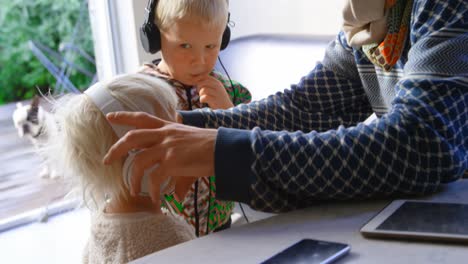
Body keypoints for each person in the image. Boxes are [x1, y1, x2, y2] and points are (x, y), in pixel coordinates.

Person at [103, 0, 467, 213]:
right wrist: (189, 125)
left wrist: (222, 151)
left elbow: (422, 146)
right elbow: (307, 108)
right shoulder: (369, 21)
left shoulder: (448, 10)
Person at [42, 73, 195, 263]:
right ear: (140, 165)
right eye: (171, 134)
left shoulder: (102, 224)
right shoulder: (172, 239)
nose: (186, 135)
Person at [138, 0, 252, 236]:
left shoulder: (234, 93)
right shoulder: (140, 94)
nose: (199, 60)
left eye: (211, 46)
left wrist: (230, 112)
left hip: (222, 226)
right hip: (162, 229)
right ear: (156, 37)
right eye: (185, 45)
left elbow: (256, 152)